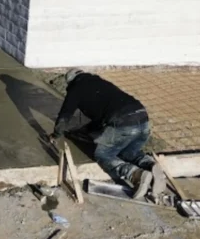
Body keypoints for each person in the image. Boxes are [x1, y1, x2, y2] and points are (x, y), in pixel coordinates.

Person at [50, 69, 160, 200]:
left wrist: (56, 134)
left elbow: (65, 115)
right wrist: (85, 131)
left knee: (103, 154)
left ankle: (135, 174)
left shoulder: (76, 88)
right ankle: (151, 165)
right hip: (142, 118)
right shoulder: (100, 83)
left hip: (122, 122)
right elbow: (102, 114)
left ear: (70, 82)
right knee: (128, 151)